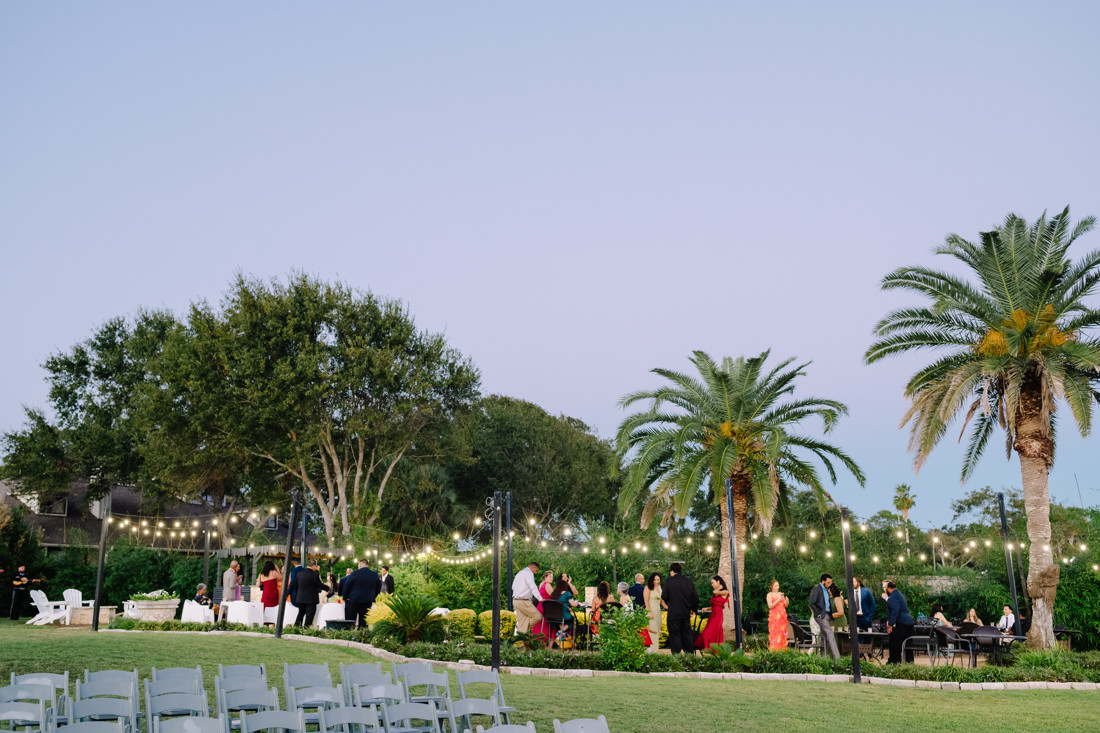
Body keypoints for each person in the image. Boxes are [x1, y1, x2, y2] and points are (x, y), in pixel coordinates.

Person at [662, 562, 698, 654]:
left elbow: (664, 596)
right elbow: (695, 597)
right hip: (685, 613)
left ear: (672, 571)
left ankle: (677, 658)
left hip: (673, 613)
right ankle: (689, 657)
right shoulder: (689, 581)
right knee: (686, 635)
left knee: (675, 636)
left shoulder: (669, 581)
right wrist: (693, 609)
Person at [340, 559, 382, 628]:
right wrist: (373, 596)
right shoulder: (374, 575)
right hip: (367, 601)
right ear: (367, 565)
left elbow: (347, 585)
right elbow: (378, 587)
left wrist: (345, 597)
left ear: (360, 565)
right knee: (363, 622)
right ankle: (362, 636)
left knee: (350, 621)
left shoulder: (355, 573)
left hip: (353, 600)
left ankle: (349, 636)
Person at [693, 576, 730, 652]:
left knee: (707, 633)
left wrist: (720, 587)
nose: (712, 584)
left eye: (713, 582)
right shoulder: (717, 592)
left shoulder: (725, 592)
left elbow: (715, 592)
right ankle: (711, 649)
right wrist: (707, 608)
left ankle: (710, 649)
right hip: (713, 615)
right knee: (710, 632)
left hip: (718, 616)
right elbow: (715, 605)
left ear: (718, 581)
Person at [808, 573, 840, 659]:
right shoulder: (816, 589)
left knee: (824, 637)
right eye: (828, 582)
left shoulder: (826, 590)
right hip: (821, 616)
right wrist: (818, 614)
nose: (830, 584)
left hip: (827, 615)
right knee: (830, 634)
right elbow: (812, 603)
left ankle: (823, 658)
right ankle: (837, 658)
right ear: (823, 581)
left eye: (830, 582)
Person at [292, 559, 330, 628]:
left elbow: (296, 586)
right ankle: (306, 629)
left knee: (300, 615)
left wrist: (298, 595)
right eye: (315, 566)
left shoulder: (299, 573)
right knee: (309, 616)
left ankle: (296, 628)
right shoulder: (314, 574)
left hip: (300, 598)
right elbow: (319, 584)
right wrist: (327, 588)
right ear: (313, 565)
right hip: (311, 599)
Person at [510, 561, 544, 637]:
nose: (535, 572)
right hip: (524, 602)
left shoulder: (519, 573)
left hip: (515, 601)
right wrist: (540, 598)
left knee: (522, 622)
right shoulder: (529, 573)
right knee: (537, 616)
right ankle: (521, 631)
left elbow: (513, 587)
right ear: (533, 568)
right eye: (536, 570)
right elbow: (533, 586)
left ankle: (519, 641)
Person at [885, 581, 915, 664]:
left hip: (901, 623)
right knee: (908, 645)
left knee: (894, 642)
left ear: (889, 588)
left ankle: (894, 661)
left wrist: (890, 624)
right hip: (909, 622)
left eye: (886, 588)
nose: (885, 590)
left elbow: (895, 610)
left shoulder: (893, 597)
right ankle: (909, 663)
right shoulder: (901, 595)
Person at [549, 577, 580, 642]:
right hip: (564, 616)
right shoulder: (567, 593)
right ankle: (561, 632)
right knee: (571, 619)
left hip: (553, 617)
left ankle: (561, 635)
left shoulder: (554, 594)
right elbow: (573, 604)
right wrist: (577, 603)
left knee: (561, 620)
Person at [531, 570, 556, 643]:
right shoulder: (547, 585)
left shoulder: (541, 584)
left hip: (540, 606)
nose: (551, 578)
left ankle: (537, 642)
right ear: (545, 577)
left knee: (539, 625)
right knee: (547, 625)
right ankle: (545, 643)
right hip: (546, 608)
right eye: (550, 576)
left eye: (552, 577)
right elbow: (553, 596)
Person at [644, 572, 666, 653]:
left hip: (658, 613)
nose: (656, 581)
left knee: (657, 632)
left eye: (658, 580)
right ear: (651, 580)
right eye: (655, 580)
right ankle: (652, 653)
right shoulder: (648, 588)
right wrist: (649, 612)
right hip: (650, 612)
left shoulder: (659, 588)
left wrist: (666, 607)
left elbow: (661, 600)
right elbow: (646, 601)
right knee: (653, 633)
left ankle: (655, 652)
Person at [766, 580, 789, 651]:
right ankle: (775, 650)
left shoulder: (780, 594)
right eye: (775, 585)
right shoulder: (769, 594)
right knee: (775, 633)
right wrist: (779, 599)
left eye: (778, 585)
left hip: (782, 617)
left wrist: (787, 601)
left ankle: (782, 650)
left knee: (782, 634)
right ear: (772, 586)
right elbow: (770, 606)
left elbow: (785, 605)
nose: (777, 587)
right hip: (774, 617)